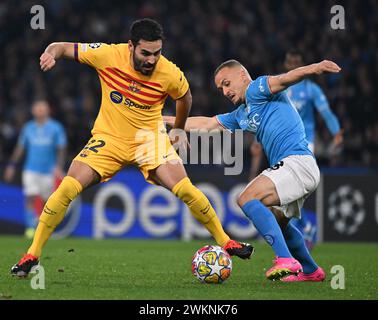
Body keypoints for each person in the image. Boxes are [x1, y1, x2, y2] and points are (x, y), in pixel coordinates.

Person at [11, 19, 253, 277]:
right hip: (110, 139)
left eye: (157, 53)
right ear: (130, 46)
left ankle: (227, 241)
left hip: (149, 140)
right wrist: (50, 53)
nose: (151, 60)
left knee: (185, 189)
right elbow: (61, 46)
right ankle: (32, 254)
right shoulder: (107, 55)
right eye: (145, 53)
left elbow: (185, 97)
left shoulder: (169, 73)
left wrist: (179, 131)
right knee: (67, 187)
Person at [164, 58, 342, 281]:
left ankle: (285, 259)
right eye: (221, 89)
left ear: (242, 76)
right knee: (279, 221)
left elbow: (286, 78)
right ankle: (311, 271)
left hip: (298, 162)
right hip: (297, 168)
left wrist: (315, 68)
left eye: (227, 83)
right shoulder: (241, 114)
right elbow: (207, 124)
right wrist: (164, 119)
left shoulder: (257, 88)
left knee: (247, 198)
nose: (225, 91)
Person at [249, 50, 343, 250]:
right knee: (285, 195)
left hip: (304, 143)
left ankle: (304, 227)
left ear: (301, 63)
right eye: (289, 61)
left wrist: (336, 131)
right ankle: (303, 228)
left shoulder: (311, 90)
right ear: (285, 64)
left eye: (296, 62)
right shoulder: (281, 88)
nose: (292, 65)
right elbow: (263, 116)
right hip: (279, 144)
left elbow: (325, 112)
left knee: (291, 193)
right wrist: (258, 140)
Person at [4, 100, 66, 239]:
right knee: (30, 197)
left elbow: (61, 148)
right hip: (31, 169)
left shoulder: (56, 128)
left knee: (45, 201)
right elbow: (20, 148)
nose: (40, 111)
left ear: (47, 111)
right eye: (37, 109)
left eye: (42, 109)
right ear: (33, 111)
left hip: (47, 171)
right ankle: (30, 228)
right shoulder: (28, 128)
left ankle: (41, 228)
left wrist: (58, 167)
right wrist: (11, 165)